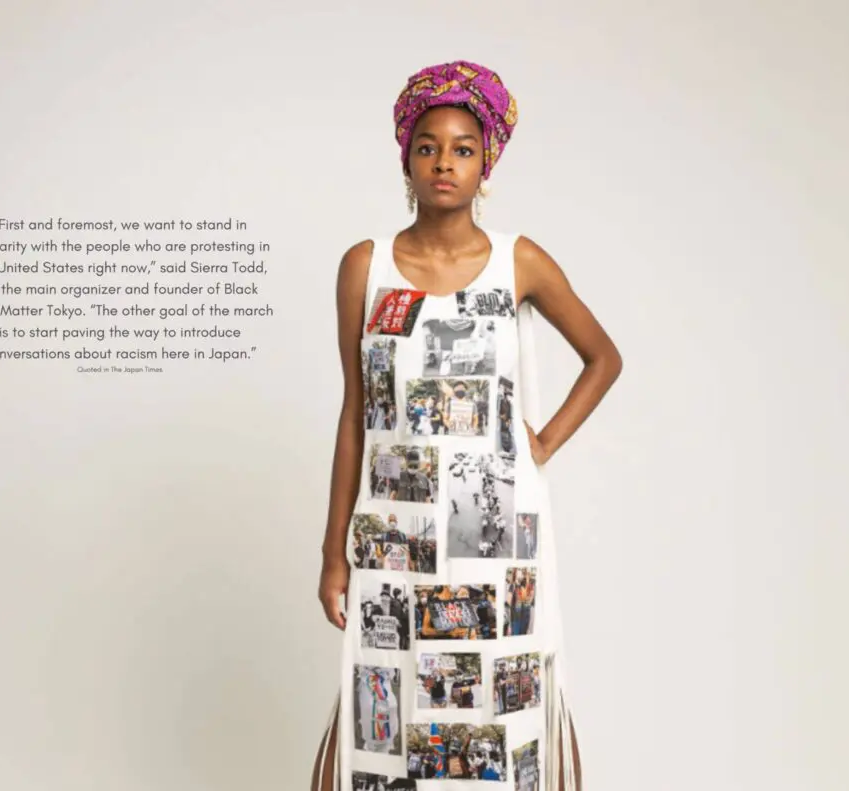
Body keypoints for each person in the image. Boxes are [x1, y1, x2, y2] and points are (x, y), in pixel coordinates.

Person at [313, 60, 622, 791]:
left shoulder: (519, 262)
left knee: (500, 714)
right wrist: (333, 554)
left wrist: (540, 443)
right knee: (387, 711)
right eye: (427, 146)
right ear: (406, 160)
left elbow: (603, 358)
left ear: (486, 165)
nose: (443, 162)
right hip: (392, 535)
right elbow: (357, 411)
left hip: (497, 539)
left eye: (461, 148)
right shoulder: (366, 267)